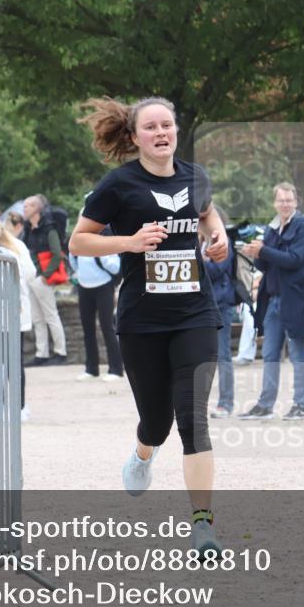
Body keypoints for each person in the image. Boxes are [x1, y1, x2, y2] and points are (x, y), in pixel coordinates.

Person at [69, 95, 228, 557]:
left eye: (168, 126)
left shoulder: (195, 176)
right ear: (135, 136)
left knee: (193, 418)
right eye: (151, 127)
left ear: (177, 130)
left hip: (196, 312)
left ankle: (203, 525)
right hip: (142, 318)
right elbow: (78, 241)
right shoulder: (118, 184)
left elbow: (206, 215)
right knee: (156, 422)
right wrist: (131, 242)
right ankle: (143, 453)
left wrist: (216, 239)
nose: (161, 133)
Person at [238, 182, 304, 421]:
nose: (285, 204)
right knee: (269, 354)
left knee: (298, 353)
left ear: (296, 202)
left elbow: (294, 259)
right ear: (275, 203)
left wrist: (263, 251)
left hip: (296, 300)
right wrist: (253, 254)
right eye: (281, 200)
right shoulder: (272, 228)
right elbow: (266, 265)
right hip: (273, 300)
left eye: (289, 200)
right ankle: (265, 405)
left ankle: (300, 405)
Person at [0, 218, 35, 423]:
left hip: (12, 314)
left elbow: (23, 277)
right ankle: (0, 406)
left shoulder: (11, 251)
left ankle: (18, 406)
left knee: (13, 361)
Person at [21, 194, 68, 367]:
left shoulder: (50, 228)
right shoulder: (28, 229)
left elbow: (57, 254)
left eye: (27, 206)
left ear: (36, 209)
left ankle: (60, 352)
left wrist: (45, 276)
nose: (24, 209)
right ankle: (42, 354)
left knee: (50, 315)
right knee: (37, 318)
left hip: (41, 279)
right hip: (31, 278)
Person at [68, 246, 125, 383]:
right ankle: (91, 369)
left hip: (104, 286)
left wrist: (101, 254)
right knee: (87, 329)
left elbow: (116, 267)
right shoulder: (79, 241)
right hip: (84, 286)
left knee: (108, 327)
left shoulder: (104, 240)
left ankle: (116, 369)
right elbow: (74, 261)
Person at [205, 238, 237, 418]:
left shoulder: (223, 240)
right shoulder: (193, 239)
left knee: (222, 354)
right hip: (198, 304)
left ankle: (226, 403)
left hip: (221, 304)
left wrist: (194, 261)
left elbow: (217, 270)